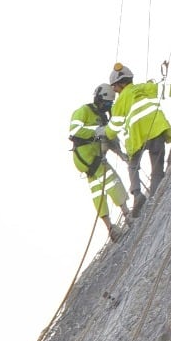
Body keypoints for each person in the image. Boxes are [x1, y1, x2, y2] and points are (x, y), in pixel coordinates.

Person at [106, 62, 171, 214]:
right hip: (156, 129)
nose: (114, 91)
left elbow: (113, 130)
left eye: (114, 87)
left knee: (133, 165)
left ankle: (137, 194)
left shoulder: (119, 103)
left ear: (120, 84)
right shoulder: (143, 88)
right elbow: (165, 89)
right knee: (157, 168)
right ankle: (154, 198)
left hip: (136, 138)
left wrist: (104, 132)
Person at [69, 83, 129, 240]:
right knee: (112, 180)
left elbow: (109, 137)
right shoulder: (83, 111)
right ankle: (127, 214)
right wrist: (97, 131)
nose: (107, 107)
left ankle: (110, 228)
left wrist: (121, 154)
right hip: (87, 156)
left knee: (97, 191)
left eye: (109, 104)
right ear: (99, 99)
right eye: (106, 103)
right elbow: (74, 131)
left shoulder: (102, 117)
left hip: (91, 159)